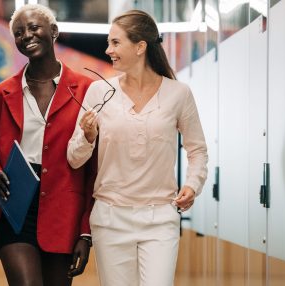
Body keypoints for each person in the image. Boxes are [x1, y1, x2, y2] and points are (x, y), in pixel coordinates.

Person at [67, 10, 208, 286]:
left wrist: (193, 184)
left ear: (140, 47)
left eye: (116, 43)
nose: (108, 50)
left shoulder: (179, 94)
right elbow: (74, 158)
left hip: (160, 219)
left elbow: (197, 150)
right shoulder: (98, 92)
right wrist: (88, 136)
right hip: (110, 219)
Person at [0, 4, 96, 286]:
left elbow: (94, 169)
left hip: (64, 213)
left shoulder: (88, 90)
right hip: (16, 207)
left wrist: (85, 232)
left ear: (53, 31)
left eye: (33, 28)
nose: (26, 35)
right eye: (19, 33)